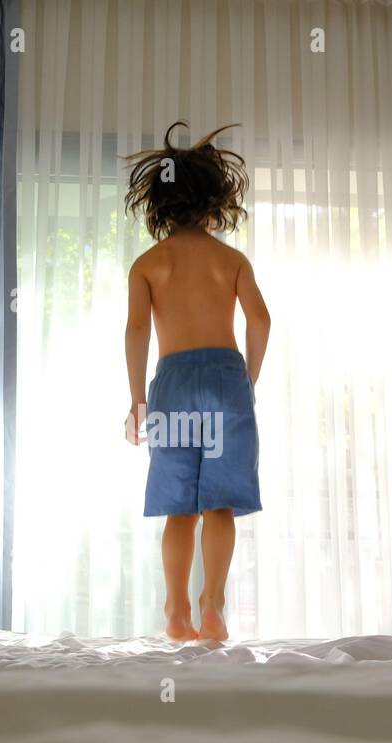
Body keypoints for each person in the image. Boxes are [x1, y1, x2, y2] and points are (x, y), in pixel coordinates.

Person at [123, 122, 271, 642]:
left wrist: (138, 399)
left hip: (174, 385)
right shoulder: (230, 260)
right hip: (225, 378)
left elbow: (137, 329)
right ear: (215, 201)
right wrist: (245, 378)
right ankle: (214, 606)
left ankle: (177, 611)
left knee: (179, 508)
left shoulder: (147, 265)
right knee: (220, 503)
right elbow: (261, 321)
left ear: (158, 204)